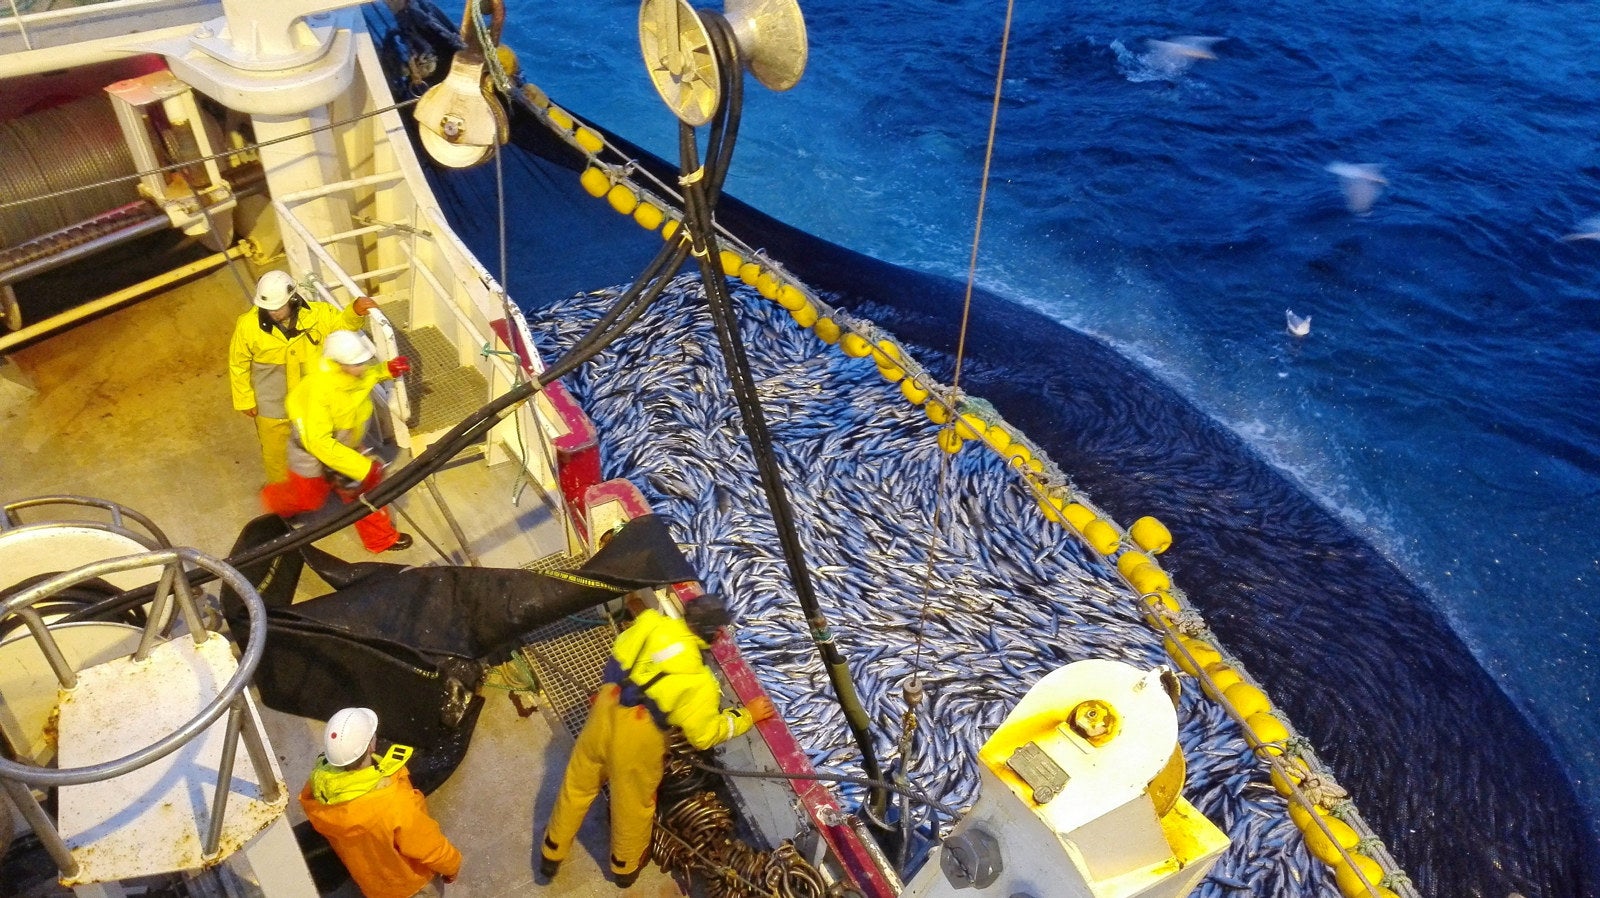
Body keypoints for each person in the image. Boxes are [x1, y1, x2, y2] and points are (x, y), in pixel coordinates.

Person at [538, 594, 777, 888]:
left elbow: (619, 652)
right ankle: (624, 868)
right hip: (638, 738)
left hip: (605, 711)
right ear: (715, 634)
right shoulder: (699, 682)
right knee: (632, 806)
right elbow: (704, 736)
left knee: (577, 784)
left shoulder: (651, 623)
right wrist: (747, 715)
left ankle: (551, 852)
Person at [259, 329, 414, 553]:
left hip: (344, 444)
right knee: (308, 499)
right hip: (310, 452)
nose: (363, 367)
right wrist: (362, 467)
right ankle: (273, 500)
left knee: (365, 492)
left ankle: (380, 539)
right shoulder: (318, 390)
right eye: (357, 363)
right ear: (338, 363)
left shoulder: (350, 375)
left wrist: (385, 370)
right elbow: (318, 443)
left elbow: (365, 377)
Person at [228, 270, 379, 482]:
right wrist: (244, 399)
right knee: (276, 453)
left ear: (292, 299)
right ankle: (282, 490)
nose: (274, 313)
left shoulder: (319, 314)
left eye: (278, 307)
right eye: (269, 308)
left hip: (312, 402)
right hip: (273, 405)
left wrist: (355, 312)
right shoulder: (247, 326)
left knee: (322, 446)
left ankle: (329, 482)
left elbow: (342, 326)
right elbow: (238, 363)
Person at [300, 707, 462, 898]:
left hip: (374, 887)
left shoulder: (318, 787)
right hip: (410, 885)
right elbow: (427, 845)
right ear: (370, 746)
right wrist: (452, 865)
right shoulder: (392, 803)